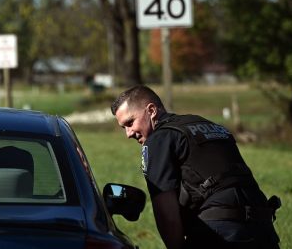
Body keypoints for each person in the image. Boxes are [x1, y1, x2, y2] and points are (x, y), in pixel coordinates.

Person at [111, 85, 280, 249]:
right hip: (264, 227)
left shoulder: (158, 139)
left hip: (220, 234)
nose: (128, 133)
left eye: (130, 122)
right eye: (123, 128)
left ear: (152, 110)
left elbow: (165, 210)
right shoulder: (211, 126)